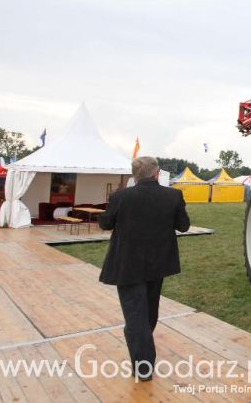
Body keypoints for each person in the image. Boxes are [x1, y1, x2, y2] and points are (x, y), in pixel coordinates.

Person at [98, 156, 190, 381]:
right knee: (148, 312)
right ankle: (144, 356)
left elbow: (105, 223)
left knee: (136, 317)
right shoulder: (173, 195)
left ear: (135, 175)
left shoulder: (120, 196)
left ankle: (143, 367)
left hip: (127, 264)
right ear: (156, 173)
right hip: (158, 264)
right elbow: (184, 225)